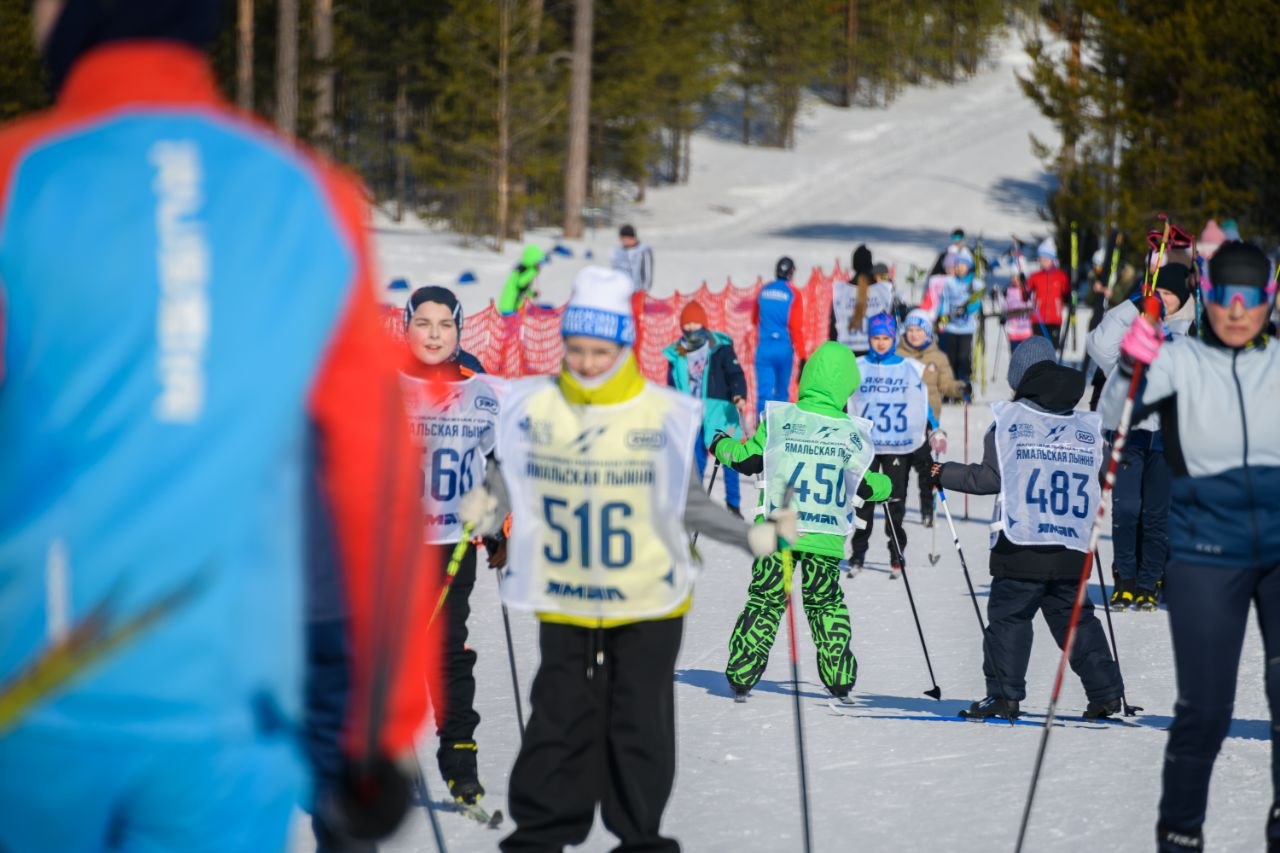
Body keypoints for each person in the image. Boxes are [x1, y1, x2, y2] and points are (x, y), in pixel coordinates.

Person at [0, 4, 439, 850]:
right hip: (231, 711)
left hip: (36, 704)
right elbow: (378, 469)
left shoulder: (18, 176)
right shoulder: (308, 196)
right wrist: (380, 724)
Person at [461, 266, 791, 852]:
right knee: (558, 712)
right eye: (577, 349)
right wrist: (488, 509)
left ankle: (639, 837)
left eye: (601, 351)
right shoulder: (538, 407)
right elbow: (510, 471)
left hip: (647, 597)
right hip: (567, 589)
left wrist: (753, 537)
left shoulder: (657, 414)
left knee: (638, 720)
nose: (587, 363)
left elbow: (690, 503)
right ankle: (540, 834)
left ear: (624, 347)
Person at [1116, 241, 1280, 851]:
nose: (1237, 311)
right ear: (1206, 298)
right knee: (1206, 711)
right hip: (1207, 551)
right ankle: (1181, 833)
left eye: (1250, 298)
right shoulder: (1179, 357)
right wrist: (1131, 363)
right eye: (1226, 298)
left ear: (1268, 300)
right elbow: (1114, 415)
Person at [933, 336, 1124, 720]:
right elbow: (1106, 475)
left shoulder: (1008, 423)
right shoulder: (1085, 426)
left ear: (1019, 377)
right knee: (1075, 619)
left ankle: (1004, 696)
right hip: (1071, 545)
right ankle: (1106, 693)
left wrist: (943, 472)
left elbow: (989, 479)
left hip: (1021, 543)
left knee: (1010, 618)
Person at [710, 342, 892, 700]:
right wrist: (887, 487)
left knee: (766, 598)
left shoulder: (780, 420)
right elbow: (868, 485)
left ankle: (743, 671)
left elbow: (747, 460)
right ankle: (839, 675)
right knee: (825, 602)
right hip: (825, 534)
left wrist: (720, 445)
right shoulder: (851, 432)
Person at [400, 286, 509, 808]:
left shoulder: (480, 391)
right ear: (407, 327)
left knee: (446, 650)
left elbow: (494, 466)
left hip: (452, 544)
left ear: (459, 331)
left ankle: (459, 755)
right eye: (423, 323)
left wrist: (496, 529)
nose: (434, 334)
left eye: (445, 324)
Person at [1086, 263, 1194, 611]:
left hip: (1164, 439)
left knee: (1156, 515)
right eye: (1157, 292)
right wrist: (1133, 307)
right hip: (1127, 434)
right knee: (1127, 508)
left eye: (1169, 294)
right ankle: (1126, 579)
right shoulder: (1130, 331)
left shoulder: (1185, 337)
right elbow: (1099, 345)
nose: (1162, 299)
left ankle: (1150, 580)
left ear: (1182, 301)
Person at [848, 313, 929, 578]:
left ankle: (896, 554)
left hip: (897, 444)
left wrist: (934, 427)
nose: (881, 343)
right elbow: (845, 399)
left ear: (893, 338)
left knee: (895, 500)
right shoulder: (858, 366)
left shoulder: (909, 366)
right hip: (866, 445)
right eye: (876, 338)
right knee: (864, 501)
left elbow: (920, 402)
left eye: (885, 337)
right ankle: (858, 554)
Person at [663, 301, 749, 515]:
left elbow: (735, 373)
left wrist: (738, 394)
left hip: (721, 413)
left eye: (695, 324)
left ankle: (734, 505)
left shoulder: (719, 347)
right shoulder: (678, 351)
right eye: (687, 325)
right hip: (693, 413)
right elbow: (672, 382)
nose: (691, 329)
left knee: (729, 459)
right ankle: (695, 504)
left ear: (703, 324)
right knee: (695, 461)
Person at [898, 310, 963, 527]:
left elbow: (946, 384)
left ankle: (927, 510)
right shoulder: (898, 354)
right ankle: (898, 508)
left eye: (919, 330)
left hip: (927, 423)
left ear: (927, 332)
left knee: (926, 468)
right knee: (901, 470)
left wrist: (960, 388)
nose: (914, 334)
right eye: (910, 330)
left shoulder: (937, 357)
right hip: (901, 422)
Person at [753, 255, 806, 415]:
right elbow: (795, 327)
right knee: (782, 394)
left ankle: (760, 426)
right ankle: (779, 427)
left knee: (763, 393)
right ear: (791, 273)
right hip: (783, 348)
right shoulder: (793, 293)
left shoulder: (763, 290)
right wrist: (803, 355)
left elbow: (754, 319)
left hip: (764, 347)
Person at [925, 248, 983, 385]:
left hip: (966, 328)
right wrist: (942, 316)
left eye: (962, 265)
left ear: (968, 266)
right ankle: (950, 385)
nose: (959, 268)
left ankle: (964, 384)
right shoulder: (949, 282)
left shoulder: (975, 283)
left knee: (963, 357)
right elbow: (944, 301)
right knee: (950, 358)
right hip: (950, 327)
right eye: (956, 265)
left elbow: (977, 303)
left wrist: (967, 309)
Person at [830, 244, 894, 356]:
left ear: (853, 266)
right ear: (871, 265)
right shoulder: (883, 290)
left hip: (846, 355)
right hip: (875, 354)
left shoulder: (841, 291)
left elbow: (833, 328)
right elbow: (891, 325)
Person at [1027, 238, 1071, 349]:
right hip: (1038, 319)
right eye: (1041, 259)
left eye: (1045, 259)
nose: (1042, 261)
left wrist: (1071, 293)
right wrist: (1024, 285)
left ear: (1052, 259)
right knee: (1038, 350)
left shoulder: (1061, 276)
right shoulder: (1035, 276)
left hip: (1054, 319)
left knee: (1052, 349)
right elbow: (1025, 295)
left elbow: (1067, 294)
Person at [497, 244, 547, 315]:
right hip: (509, 306)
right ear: (533, 262)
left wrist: (532, 294)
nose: (540, 266)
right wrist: (533, 271)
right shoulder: (522, 270)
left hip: (515, 306)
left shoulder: (525, 269)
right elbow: (520, 283)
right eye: (538, 263)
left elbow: (523, 289)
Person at [611, 223, 654, 293]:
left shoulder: (643, 251)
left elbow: (647, 274)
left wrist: (644, 291)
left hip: (638, 291)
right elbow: (615, 271)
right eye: (621, 239)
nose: (623, 241)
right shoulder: (617, 251)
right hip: (621, 291)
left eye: (625, 239)